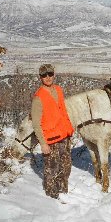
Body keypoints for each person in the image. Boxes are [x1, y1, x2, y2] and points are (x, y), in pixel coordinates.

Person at [30, 64, 74, 199]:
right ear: (40, 78)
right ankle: (52, 197)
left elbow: (63, 112)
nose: (48, 77)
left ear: (54, 74)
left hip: (64, 136)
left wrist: (69, 130)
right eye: (44, 75)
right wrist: (43, 143)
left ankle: (63, 193)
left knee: (65, 167)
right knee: (52, 170)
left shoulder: (59, 90)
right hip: (50, 140)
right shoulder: (38, 97)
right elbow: (36, 124)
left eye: (50, 74)